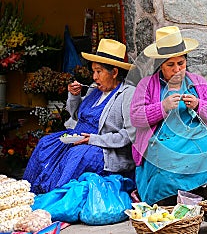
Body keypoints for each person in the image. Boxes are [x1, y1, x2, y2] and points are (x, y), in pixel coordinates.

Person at [130, 26, 207, 205]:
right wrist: (162, 107)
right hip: (162, 139)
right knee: (167, 157)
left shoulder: (197, 81)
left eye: (181, 63)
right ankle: (169, 200)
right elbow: (136, 117)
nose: (177, 69)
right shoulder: (147, 85)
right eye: (170, 65)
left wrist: (199, 104)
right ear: (160, 66)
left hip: (195, 135)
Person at [23, 39, 136, 194]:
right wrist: (74, 96)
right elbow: (76, 115)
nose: (94, 77)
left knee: (77, 155)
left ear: (114, 72)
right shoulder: (93, 89)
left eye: (99, 71)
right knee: (46, 143)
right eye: (93, 71)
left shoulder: (127, 93)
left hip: (102, 149)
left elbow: (129, 135)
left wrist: (93, 139)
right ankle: (28, 192)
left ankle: (55, 199)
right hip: (76, 138)